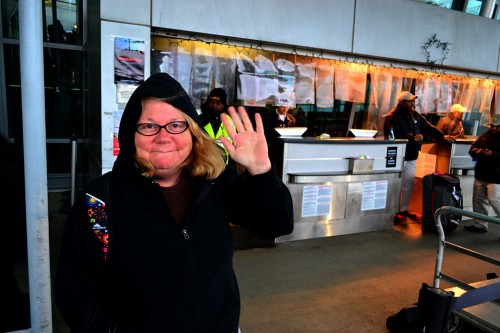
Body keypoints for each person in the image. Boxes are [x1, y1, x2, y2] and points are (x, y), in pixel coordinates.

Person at [54, 73, 294, 332]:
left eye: (176, 125)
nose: (163, 136)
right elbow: (75, 294)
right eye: (148, 126)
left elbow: (277, 224)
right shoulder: (99, 201)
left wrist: (262, 171)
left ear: (192, 133)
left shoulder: (214, 179)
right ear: (130, 134)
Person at [384, 91, 444, 221]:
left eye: (412, 101)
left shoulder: (414, 115)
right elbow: (391, 134)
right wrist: (412, 137)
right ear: (401, 102)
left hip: (411, 155)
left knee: (409, 184)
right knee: (393, 184)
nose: (412, 103)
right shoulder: (392, 116)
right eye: (409, 101)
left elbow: (428, 127)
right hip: (397, 156)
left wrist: (442, 136)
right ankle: (389, 212)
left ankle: (402, 210)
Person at [465, 114, 500, 233]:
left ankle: (480, 224)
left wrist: (493, 155)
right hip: (482, 174)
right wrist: (479, 151)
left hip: (496, 177)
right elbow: (472, 149)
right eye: (492, 126)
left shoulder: (486, 136)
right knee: (479, 200)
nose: (494, 128)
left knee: (495, 201)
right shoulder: (485, 136)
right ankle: (480, 224)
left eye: (497, 126)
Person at [199, 88, 235, 164]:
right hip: (203, 161)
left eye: (218, 103)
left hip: (223, 162)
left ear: (223, 104)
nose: (214, 105)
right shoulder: (200, 118)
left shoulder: (228, 120)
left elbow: (230, 142)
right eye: (211, 102)